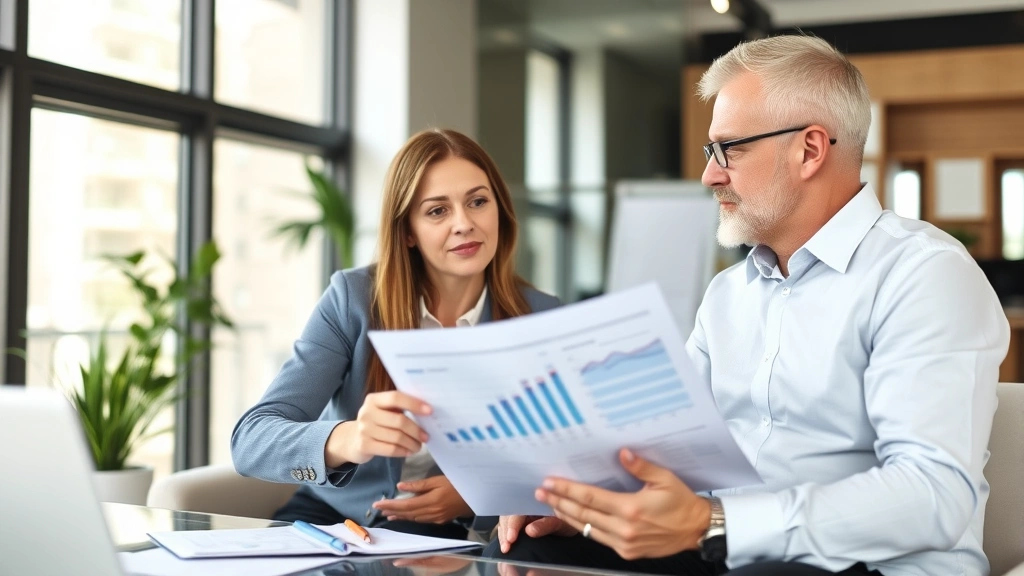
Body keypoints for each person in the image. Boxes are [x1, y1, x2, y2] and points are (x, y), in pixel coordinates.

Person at [486, 35, 1009, 575]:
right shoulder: (728, 294)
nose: (711, 174)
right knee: (534, 548)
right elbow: (666, 444)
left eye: (730, 148)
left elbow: (933, 495)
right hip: (722, 551)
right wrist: (588, 501)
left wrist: (712, 522)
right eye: (712, 151)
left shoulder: (924, 274)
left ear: (809, 149)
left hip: (859, 565)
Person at [232, 128, 560, 539]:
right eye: (437, 211)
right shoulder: (352, 300)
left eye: (478, 202)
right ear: (407, 231)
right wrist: (350, 438)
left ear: (500, 211)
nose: (464, 224)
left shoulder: (543, 317)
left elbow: (568, 458)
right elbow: (251, 441)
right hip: (334, 521)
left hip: (453, 535)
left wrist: (478, 495)